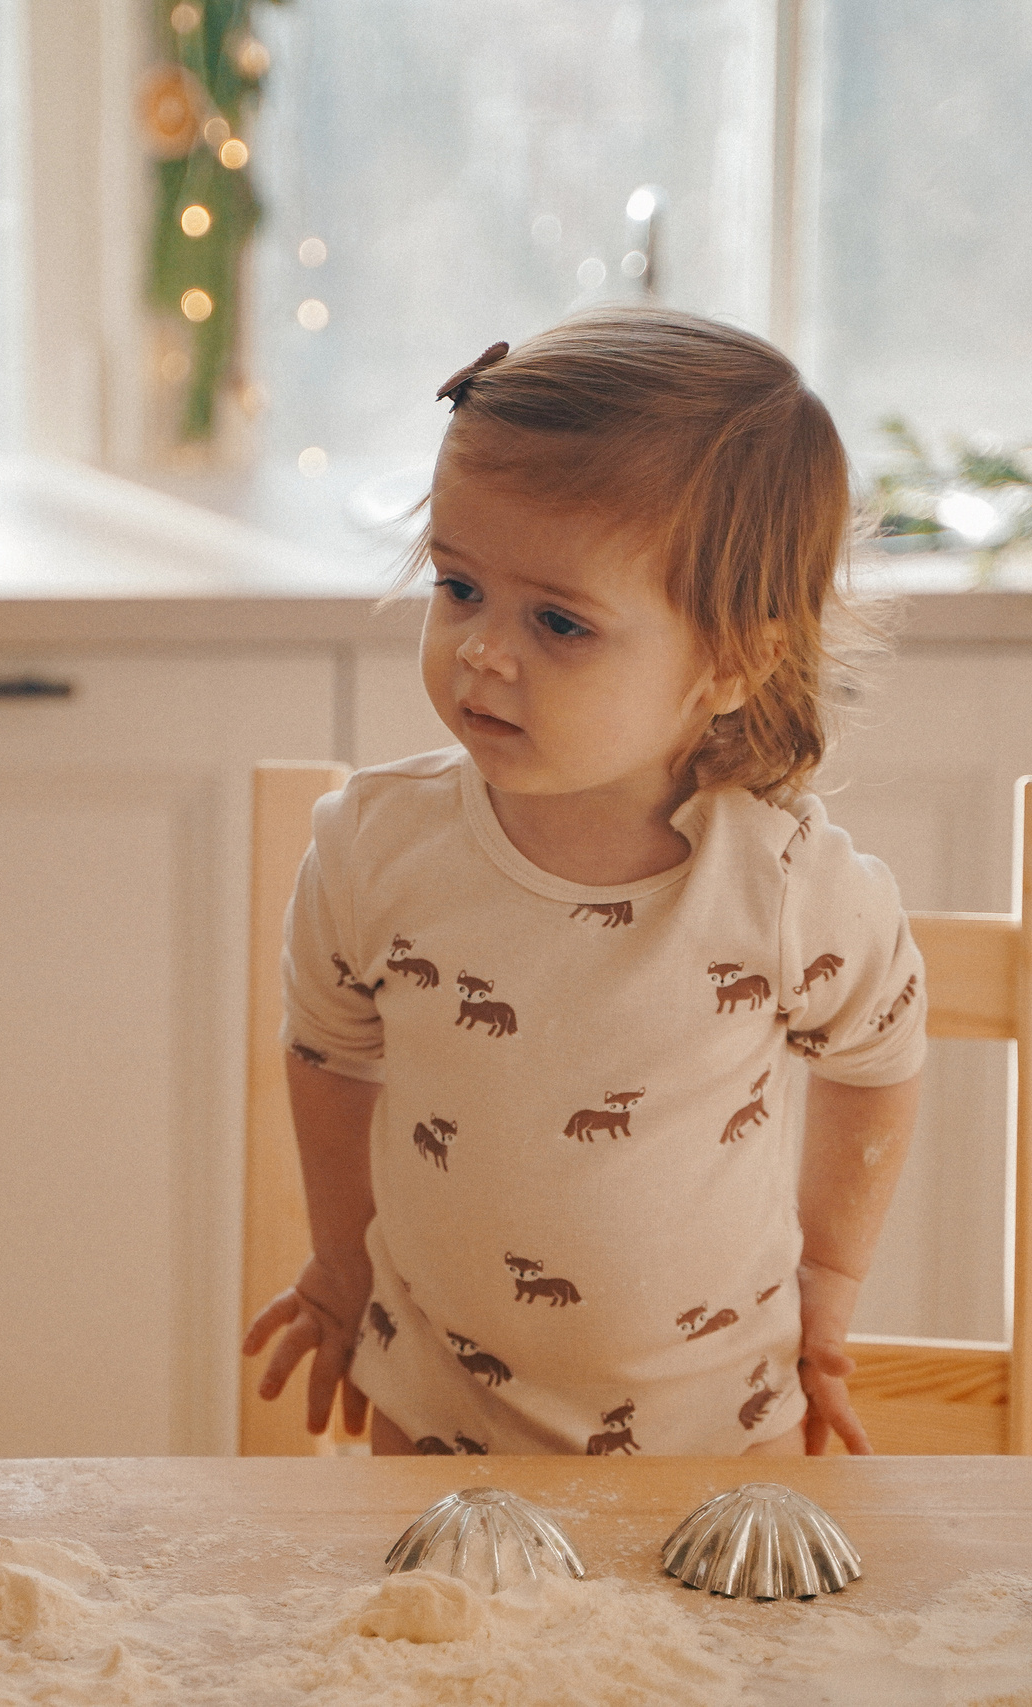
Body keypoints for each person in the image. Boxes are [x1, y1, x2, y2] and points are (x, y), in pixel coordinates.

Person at [243, 308, 925, 1457]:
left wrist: (832, 1281)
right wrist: (338, 1258)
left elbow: (880, 1056)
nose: (482, 652)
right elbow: (327, 1049)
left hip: (716, 1439)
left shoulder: (786, 886)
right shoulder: (370, 847)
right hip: (437, 1420)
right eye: (458, 588)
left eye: (559, 621)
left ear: (731, 661)